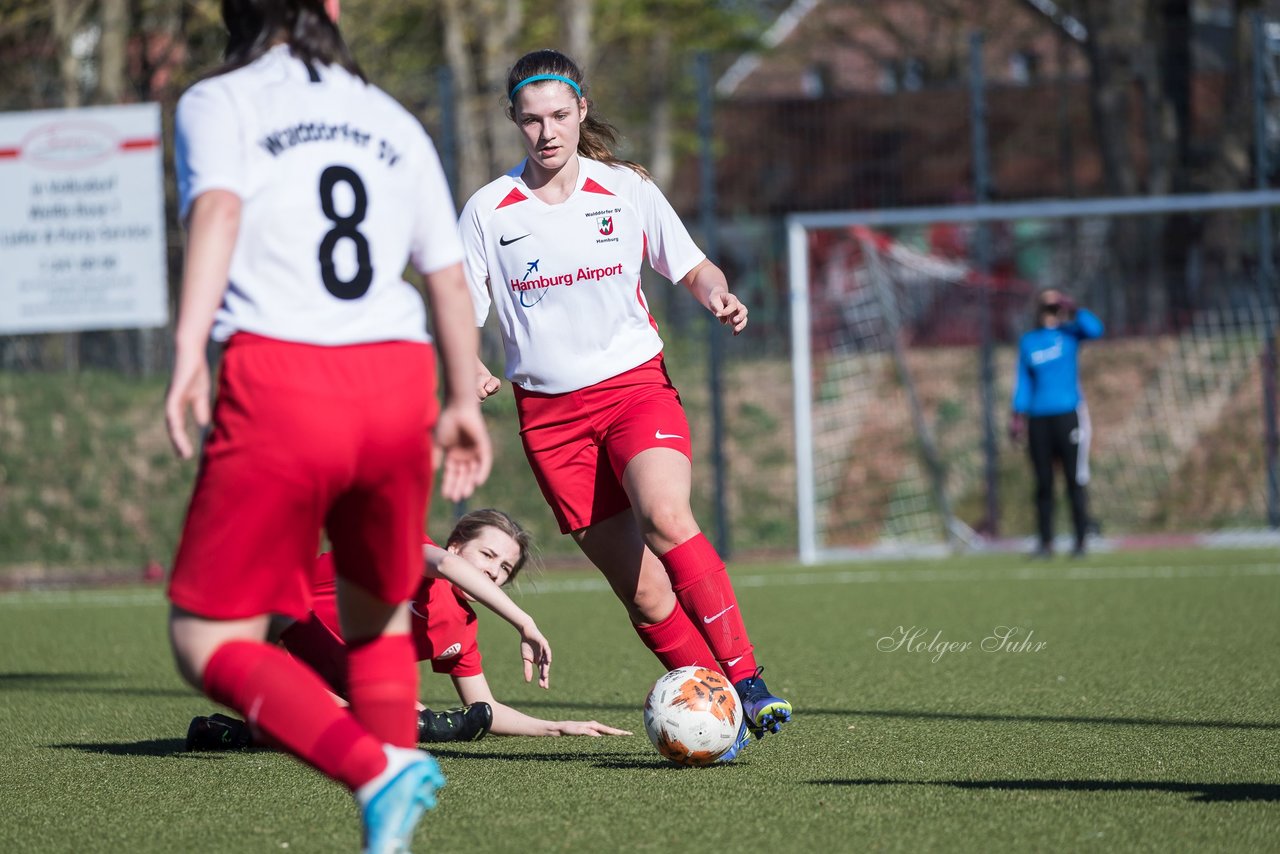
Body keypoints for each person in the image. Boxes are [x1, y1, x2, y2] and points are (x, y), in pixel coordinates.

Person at [164, 2, 490, 851]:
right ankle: (392, 824)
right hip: (396, 374)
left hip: (282, 374)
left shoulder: (218, 99)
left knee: (206, 638)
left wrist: (189, 346)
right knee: (377, 612)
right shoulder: (389, 116)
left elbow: (219, 215)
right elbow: (446, 275)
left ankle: (374, 769)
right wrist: (461, 397)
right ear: (334, 9)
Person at [456, 49, 792, 763]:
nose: (546, 133)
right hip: (550, 420)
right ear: (514, 122)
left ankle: (747, 679)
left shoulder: (626, 189)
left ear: (581, 111)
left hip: (636, 388)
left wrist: (716, 295)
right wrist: (468, 364)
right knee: (642, 596)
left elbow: (693, 265)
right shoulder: (489, 210)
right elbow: (464, 308)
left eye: (558, 116)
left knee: (669, 518)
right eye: (530, 120)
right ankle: (718, 715)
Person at [186, 509, 631, 749]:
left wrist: (557, 727)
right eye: (488, 556)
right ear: (456, 545)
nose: (495, 572)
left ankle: (237, 733)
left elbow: (483, 708)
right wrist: (524, 620)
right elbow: (447, 565)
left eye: (506, 568)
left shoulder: (460, 626)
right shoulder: (418, 556)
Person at [1009, 288, 1104, 558]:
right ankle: (1046, 542)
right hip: (1039, 418)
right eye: (1045, 307)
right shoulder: (1029, 341)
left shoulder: (1069, 334)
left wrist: (1073, 309)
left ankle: (1080, 539)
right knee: (1043, 482)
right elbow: (1023, 382)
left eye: (1055, 307)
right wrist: (1017, 415)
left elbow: (1096, 329)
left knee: (1074, 479)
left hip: (1067, 414)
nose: (1050, 313)